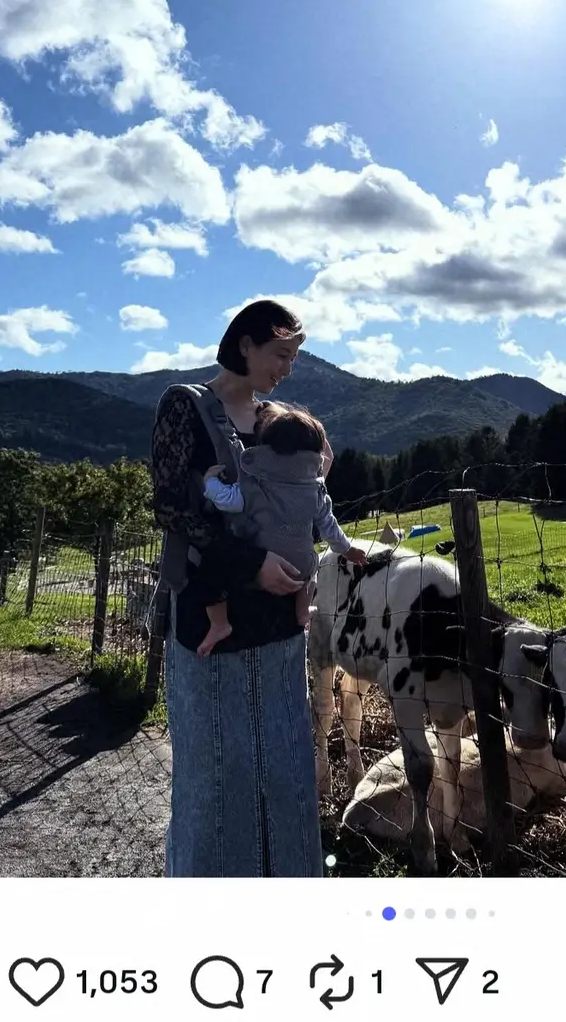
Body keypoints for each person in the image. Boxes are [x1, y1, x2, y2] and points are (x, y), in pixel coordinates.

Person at [151, 298, 327, 877]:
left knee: (284, 766)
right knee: (216, 771)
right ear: (245, 345)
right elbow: (176, 509)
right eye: (281, 353)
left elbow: (300, 501)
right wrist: (253, 564)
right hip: (213, 616)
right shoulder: (186, 406)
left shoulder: (279, 420)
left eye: (294, 357)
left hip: (279, 622)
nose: (287, 368)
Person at [198, 401, 366, 655]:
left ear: (268, 450)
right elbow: (329, 526)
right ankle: (301, 611)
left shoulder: (256, 485)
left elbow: (227, 500)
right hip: (300, 567)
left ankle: (219, 623)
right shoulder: (316, 491)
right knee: (313, 566)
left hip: (259, 562)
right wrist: (347, 550)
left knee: (210, 568)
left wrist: (209, 482)